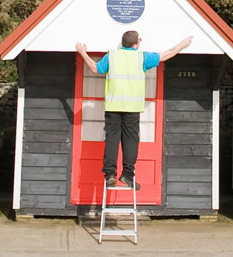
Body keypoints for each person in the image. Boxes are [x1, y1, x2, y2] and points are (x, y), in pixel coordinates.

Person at [75, 31, 192, 189]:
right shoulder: (142, 57)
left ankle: (110, 175)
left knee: (112, 140)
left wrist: (82, 52)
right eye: (139, 39)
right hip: (132, 108)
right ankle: (127, 176)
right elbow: (166, 55)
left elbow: (95, 68)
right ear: (135, 44)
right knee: (131, 141)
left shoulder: (112, 56)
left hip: (113, 107)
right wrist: (183, 45)